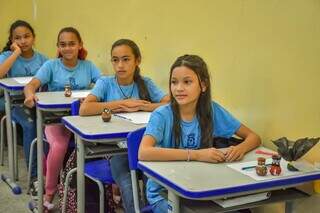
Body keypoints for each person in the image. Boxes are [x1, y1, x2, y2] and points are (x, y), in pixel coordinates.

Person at [138, 54, 261, 213]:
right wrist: (196, 155)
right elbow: (144, 152)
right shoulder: (162, 115)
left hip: (201, 188)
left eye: (187, 82)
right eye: (174, 82)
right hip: (165, 194)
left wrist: (240, 149)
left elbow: (254, 137)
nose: (179, 88)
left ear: (203, 85)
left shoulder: (211, 110)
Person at [80, 39, 170, 213]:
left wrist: (143, 106)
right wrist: (122, 104)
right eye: (115, 60)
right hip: (115, 150)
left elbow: (169, 104)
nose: (120, 65)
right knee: (129, 189)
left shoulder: (145, 83)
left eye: (126, 59)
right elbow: (85, 108)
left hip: (144, 148)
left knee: (157, 186)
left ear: (137, 61)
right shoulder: (105, 83)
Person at [24, 27, 101, 210]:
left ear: (80, 45)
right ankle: (49, 193)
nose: (67, 48)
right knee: (59, 145)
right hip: (54, 121)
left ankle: (108, 193)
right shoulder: (51, 65)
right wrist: (29, 95)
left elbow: (103, 84)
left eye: (72, 44)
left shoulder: (88, 66)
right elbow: (32, 84)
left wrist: (94, 95)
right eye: (63, 45)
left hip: (80, 121)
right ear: (58, 47)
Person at [0, 20, 48, 198]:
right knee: (30, 124)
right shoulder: (7, 56)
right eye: (17, 38)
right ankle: (35, 176)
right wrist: (16, 53)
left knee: (52, 124)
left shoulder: (43, 58)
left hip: (37, 101)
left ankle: (51, 173)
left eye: (27, 36)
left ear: (34, 37)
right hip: (13, 103)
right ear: (12, 40)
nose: (23, 41)